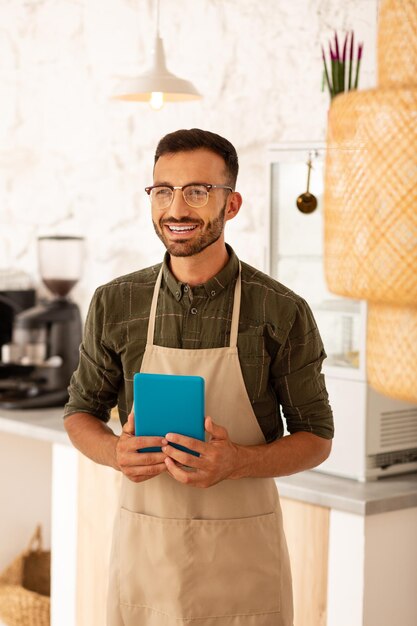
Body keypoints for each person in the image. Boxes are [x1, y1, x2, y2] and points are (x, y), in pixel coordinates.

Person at [64, 128, 334, 626]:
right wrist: (113, 452)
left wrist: (236, 462)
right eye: (163, 190)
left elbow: (317, 438)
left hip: (243, 563)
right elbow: (80, 411)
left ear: (231, 205)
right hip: (147, 557)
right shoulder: (115, 302)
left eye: (198, 191)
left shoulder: (280, 311)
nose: (177, 209)